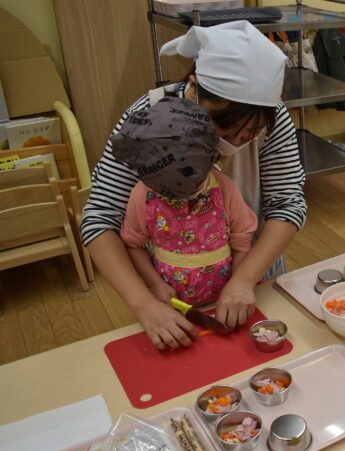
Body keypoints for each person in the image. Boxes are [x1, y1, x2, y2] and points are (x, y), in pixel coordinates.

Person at [81, 21, 306, 350]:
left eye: (248, 136)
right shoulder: (149, 119)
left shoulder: (271, 117)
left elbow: (289, 203)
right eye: (222, 131)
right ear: (193, 87)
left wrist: (244, 278)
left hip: (252, 272)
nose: (231, 145)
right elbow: (99, 218)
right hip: (169, 289)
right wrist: (145, 304)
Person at [113, 97, 258, 307]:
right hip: (171, 303)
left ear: (211, 160)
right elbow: (134, 244)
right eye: (168, 193)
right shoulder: (141, 195)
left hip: (225, 300)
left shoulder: (226, 189)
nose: (183, 199)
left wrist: (237, 285)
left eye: (195, 186)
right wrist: (154, 284)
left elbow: (242, 241)